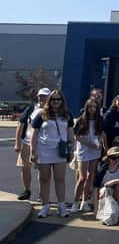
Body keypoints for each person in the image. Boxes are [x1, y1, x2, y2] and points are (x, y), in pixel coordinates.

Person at [30, 89, 75, 218]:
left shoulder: (67, 115)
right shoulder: (42, 114)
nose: (56, 102)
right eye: (53, 99)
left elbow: (70, 134)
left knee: (60, 179)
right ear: (49, 100)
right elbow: (34, 135)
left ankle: (61, 206)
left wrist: (71, 150)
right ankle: (45, 206)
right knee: (44, 179)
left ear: (62, 101)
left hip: (60, 151)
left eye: (58, 99)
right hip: (43, 151)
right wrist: (33, 152)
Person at [15, 87, 49, 201]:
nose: (41, 98)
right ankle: (27, 190)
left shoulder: (52, 111)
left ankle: (42, 194)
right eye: (40, 96)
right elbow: (21, 125)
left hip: (43, 145)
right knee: (25, 168)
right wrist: (17, 143)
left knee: (42, 170)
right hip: (27, 143)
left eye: (44, 96)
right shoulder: (31, 109)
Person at [72, 98, 105, 213]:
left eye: (94, 107)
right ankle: (75, 202)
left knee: (91, 175)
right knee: (82, 177)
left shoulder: (99, 119)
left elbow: (102, 133)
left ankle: (84, 201)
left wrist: (99, 142)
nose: (92, 109)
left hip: (95, 150)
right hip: (83, 150)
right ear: (87, 107)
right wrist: (89, 144)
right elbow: (76, 136)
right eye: (90, 107)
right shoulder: (81, 119)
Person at [93, 147, 119, 218]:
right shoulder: (103, 169)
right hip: (104, 192)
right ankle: (104, 208)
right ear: (109, 159)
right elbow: (95, 189)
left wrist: (114, 181)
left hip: (117, 190)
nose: (117, 160)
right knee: (106, 190)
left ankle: (118, 207)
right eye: (114, 158)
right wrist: (95, 209)